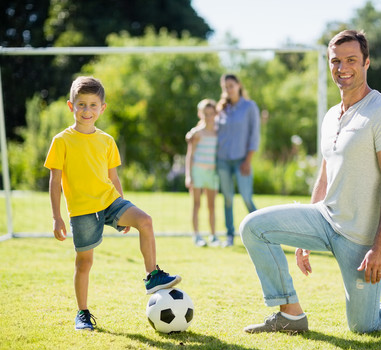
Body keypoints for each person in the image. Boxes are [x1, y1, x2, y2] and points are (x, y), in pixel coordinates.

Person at [240, 30, 381, 334]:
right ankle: (290, 314)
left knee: (364, 325)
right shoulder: (331, 116)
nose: (342, 68)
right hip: (324, 219)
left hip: (360, 238)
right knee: (253, 227)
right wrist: (303, 239)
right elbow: (326, 173)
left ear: (367, 62)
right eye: (336, 61)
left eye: (351, 60)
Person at [44, 76, 181, 331]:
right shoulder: (61, 141)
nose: (87, 110)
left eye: (93, 105)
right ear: (70, 106)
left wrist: (123, 209)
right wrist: (56, 216)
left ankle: (153, 276)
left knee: (145, 221)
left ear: (102, 108)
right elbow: (55, 182)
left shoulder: (107, 140)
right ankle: (82, 313)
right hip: (82, 211)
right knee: (84, 263)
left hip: (110, 202)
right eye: (81, 104)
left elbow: (113, 177)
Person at [215, 74, 260, 247]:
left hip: (242, 160)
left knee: (247, 198)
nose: (228, 89)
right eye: (225, 86)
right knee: (227, 198)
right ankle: (229, 236)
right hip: (223, 161)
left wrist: (248, 160)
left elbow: (254, 135)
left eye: (231, 85)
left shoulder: (250, 107)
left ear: (239, 85)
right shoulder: (222, 109)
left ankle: (263, 233)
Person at [185, 99, 220, 247]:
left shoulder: (219, 133)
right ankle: (197, 235)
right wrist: (189, 175)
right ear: (201, 114)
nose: (209, 116)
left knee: (211, 206)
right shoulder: (196, 133)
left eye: (211, 114)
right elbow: (190, 155)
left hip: (212, 172)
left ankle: (213, 235)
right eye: (206, 114)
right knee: (196, 204)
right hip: (197, 171)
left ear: (215, 114)